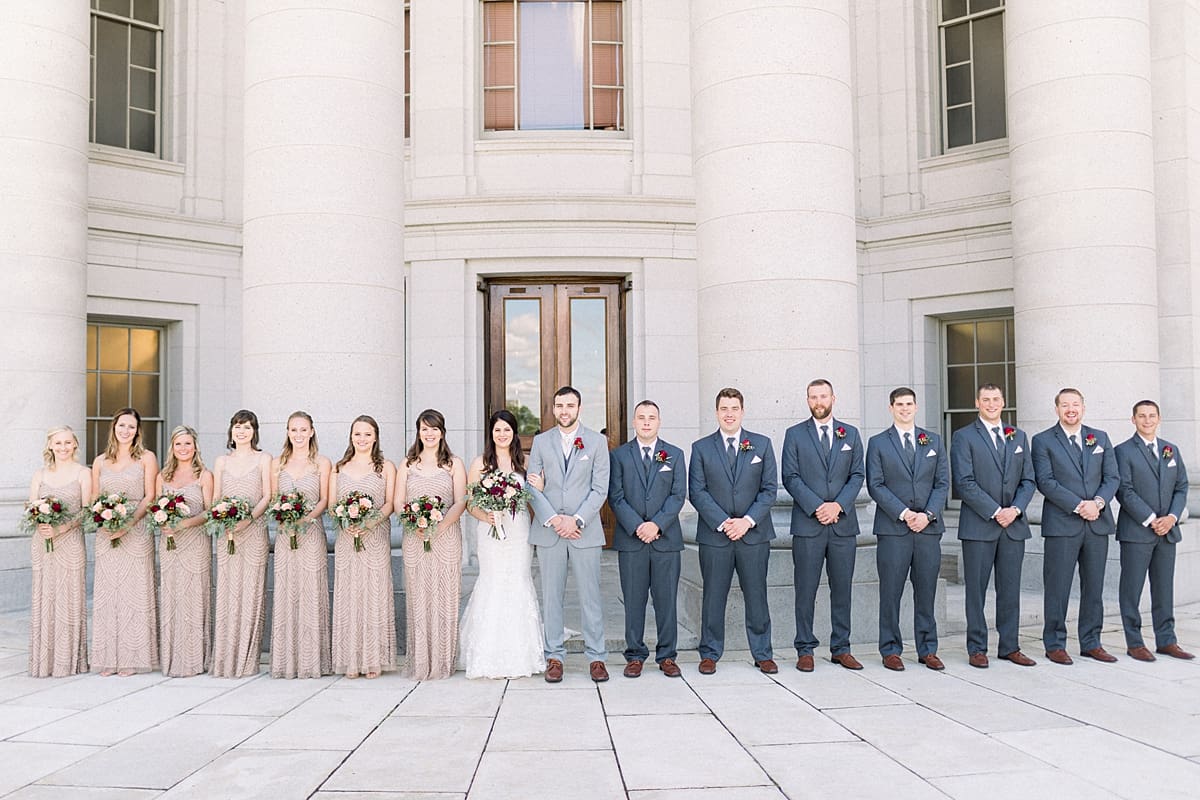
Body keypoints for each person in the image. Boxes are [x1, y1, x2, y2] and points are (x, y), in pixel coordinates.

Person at [688, 387, 778, 675]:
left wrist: (746, 521)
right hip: (716, 535)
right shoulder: (701, 448)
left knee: (757, 594)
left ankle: (763, 653)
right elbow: (697, 491)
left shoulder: (761, 445)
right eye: (724, 409)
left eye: (734, 408)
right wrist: (724, 522)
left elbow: (769, 490)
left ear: (742, 411)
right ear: (716, 412)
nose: (729, 414)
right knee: (714, 595)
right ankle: (710, 653)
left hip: (754, 534)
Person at [527, 386, 611, 683]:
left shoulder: (597, 442)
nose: (564, 410)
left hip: (584, 532)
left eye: (570, 405)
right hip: (549, 532)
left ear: (579, 408)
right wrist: (553, 519)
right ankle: (554, 656)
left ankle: (597, 657)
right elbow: (531, 485)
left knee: (591, 597)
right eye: (559, 405)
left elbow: (600, 489)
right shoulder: (539, 442)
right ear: (553, 408)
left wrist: (575, 520)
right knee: (551, 598)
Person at [950, 384, 1037, 668]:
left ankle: (1010, 646)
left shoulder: (1018, 436)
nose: (991, 404)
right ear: (977, 403)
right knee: (976, 589)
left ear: (1003, 402)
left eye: (995, 399)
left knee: (1010, 588)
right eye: (985, 399)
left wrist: (1015, 509)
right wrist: (995, 511)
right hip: (979, 526)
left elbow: (1029, 480)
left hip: (1013, 525)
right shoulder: (963, 437)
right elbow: (964, 482)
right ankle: (977, 648)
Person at [781, 379, 865, 673]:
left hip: (843, 525)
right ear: (807, 401)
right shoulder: (794, 435)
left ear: (833, 397)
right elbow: (790, 477)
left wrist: (837, 505)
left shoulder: (850, 434)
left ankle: (841, 648)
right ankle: (805, 648)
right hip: (808, 524)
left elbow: (857, 475)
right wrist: (818, 506)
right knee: (805, 589)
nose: (819, 401)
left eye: (823, 396)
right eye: (813, 397)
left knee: (842, 589)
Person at [1031, 388, 1119, 665]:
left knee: (1093, 587)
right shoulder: (1043, 440)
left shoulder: (1100, 438)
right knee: (1058, 587)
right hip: (1062, 524)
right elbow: (1046, 481)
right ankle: (1055, 643)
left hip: (1097, 523)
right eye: (1065, 405)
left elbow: (1112, 477)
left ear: (1083, 407)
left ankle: (1091, 642)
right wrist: (1081, 505)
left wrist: (1099, 503)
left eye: (1076, 404)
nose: (1071, 409)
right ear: (1056, 409)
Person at [866, 387, 949, 671]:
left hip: (928, 529)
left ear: (916, 407)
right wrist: (904, 514)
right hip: (893, 530)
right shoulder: (878, 443)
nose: (904, 408)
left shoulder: (933, 441)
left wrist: (926, 515)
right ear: (891, 408)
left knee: (926, 592)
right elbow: (875, 484)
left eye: (909, 404)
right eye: (899, 404)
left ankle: (928, 649)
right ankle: (890, 649)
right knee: (891, 592)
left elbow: (942, 484)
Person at [459, 409, 546, 679]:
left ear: (514, 433)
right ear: (491, 433)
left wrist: (541, 485)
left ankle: (522, 653)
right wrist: (487, 515)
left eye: (507, 429)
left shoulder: (525, 461)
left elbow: (536, 496)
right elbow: (470, 503)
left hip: (518, 532)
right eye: (497, 429)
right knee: (493, 581)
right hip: (490, 533)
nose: (502, 434)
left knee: (518, 581)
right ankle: (488, 654)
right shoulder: (479, 464)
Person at [608, 400, 687, 678]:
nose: (646, 422)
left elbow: (678, 495)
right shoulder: (619, 456)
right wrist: (638, 526)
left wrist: (656, 525)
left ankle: (667, 656)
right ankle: (635, 655)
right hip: (631, 540)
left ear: (659, 421)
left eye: (651, 417)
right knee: (634, 600)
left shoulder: (674, 455)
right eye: (641, 417)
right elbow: (615, 496)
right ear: (633, 421)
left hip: (666, 540)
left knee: (666, 600)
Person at [1114, 400, 1194, 661]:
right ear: (1133, 419)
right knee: (1131, 589)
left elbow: (1182, 486)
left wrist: (1171, 517)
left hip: (1167, 531)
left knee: (1163, 589)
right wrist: (1151, 519)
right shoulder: (1123, 451)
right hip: (1137, 532)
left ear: (1159, 418)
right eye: (1142, 416)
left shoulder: (1171, 450)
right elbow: (1124, 490)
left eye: (1151, 416)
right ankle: (1135, 642)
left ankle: (1166, 640)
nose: (1147, 420)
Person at [396, 409, 467, 680]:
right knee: (419, 597)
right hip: (415, 538)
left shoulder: (454, 464)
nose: (429, 433)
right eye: (424, 428)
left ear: (442, 432)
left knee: (444, 597)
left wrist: (439, 527)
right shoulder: (407, 464)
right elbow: (398, 502)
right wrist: (417, 524)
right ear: (418, 432)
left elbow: (461, 500)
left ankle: (442, 662)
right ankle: (420, 660)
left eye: (434, 428)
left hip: (446, 537)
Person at [91, 407, 160, 676]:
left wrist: (128, 524)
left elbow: (150, 496)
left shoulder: (146, 458)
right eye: (122, 425)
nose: (126, 431)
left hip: (137, 529)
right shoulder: (100, 461)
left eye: (131, 426)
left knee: (134, 593)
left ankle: (133, 657)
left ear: (137, 431)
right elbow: (95, 498)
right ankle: (108, 657)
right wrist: (107, 523)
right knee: (109, 593)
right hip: (106, 531)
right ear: (114, 427)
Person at [330, 415, 397, 678]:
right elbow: (334, 504)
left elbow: (390, 503)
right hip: (348, 539)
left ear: (376, 437)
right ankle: (350, 660)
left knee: (374, 595)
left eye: (367, 434)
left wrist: (370, 523)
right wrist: (346, 522)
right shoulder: (340, 467)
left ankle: (373, 660)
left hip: (376, 538)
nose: (362, 439)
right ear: (351, 437)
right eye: (358, 434)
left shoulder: (386, 467)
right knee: (350, 596)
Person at [269, 411, 333, 679]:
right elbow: (273, 498)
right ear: (287, 432)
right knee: (287, 591)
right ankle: (286, 660)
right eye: (293, 430)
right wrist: (284, 516)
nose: (298, 434)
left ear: (312, 431)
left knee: (310, 591)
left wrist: (306, 518)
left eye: (303, 429)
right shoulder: (277, 464)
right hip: (286, 535)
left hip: (311, 533)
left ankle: (311, 661)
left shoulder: (322, 463)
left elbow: (325, 500)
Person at [210, 409, 272, 678]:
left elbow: (269, 495)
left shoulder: (264, 459)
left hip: (254, 531)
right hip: (228, 534)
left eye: (247, 427)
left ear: (254, 431)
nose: (242, 431)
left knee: (251, 592)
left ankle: (247, 660)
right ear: (231, 431)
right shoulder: (222, 461)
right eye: (237, 426)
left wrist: (248, 519)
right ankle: (225, 659)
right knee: (228, 592)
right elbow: (215, 498)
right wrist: (225, 518)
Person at [27, 425, 92, 677]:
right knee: (46, 596)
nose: (63, 447)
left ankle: (69, 660)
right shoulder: (39, 474)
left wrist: (62, 528)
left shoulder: (82, 473)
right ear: (50, 446)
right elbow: (32, 506)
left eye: (67, 443)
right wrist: (40, 523)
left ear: (75, 445)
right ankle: (44, 660)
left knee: (69, 597)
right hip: (43, 542)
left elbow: (87, 510)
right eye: (58, 443)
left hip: (70, 541)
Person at [157, 425, 215, 677]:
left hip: (195, 542)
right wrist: (164, 525)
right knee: (171, 594)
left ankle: (194, 658)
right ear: (172, 447)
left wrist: (185, 523)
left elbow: (210, 511)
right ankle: (171, 657)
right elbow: (156, 508)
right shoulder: (163, 476)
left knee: (193, 596)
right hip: (170, 544)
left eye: (188, 444)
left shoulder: (204, 475)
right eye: (179, 444)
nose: (183, 448)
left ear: (195, 447)